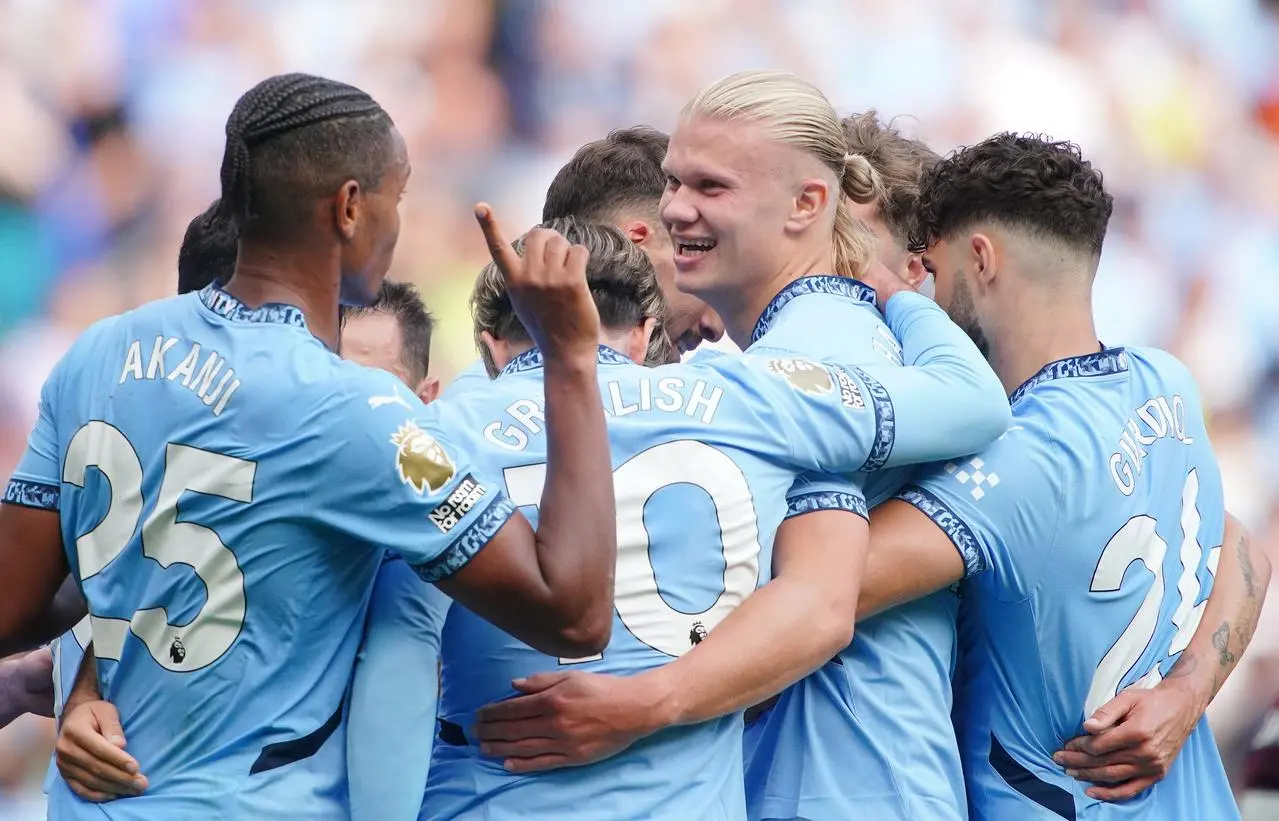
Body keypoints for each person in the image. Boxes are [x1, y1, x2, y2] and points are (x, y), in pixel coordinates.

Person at [0, 72, 621, 819]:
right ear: (351, 207)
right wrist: (570, 357)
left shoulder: (98, 351)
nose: (399, 226)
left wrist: (89, 676)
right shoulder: (356, 410)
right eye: (399, 196)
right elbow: (572, 613)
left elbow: (20, 603)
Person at [471, 72, 989, 821]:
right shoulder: (778, 351)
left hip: (840, 786)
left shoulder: (813, 351)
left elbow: (818, 601)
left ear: (807, 204)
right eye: (673, 182)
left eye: (710, 187)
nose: (675, 208)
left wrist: (633, 704)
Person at [439, 125, 726, 400]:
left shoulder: (461, 412)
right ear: (634, 244)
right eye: (696, 255)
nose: (715, 326)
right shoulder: (466, 417)